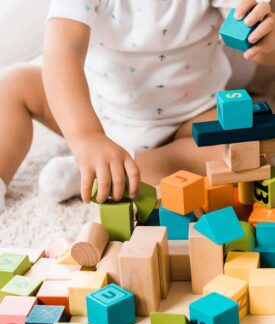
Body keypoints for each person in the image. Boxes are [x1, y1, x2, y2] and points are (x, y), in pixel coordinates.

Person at [0, 0, 274, 213]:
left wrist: (267, 42)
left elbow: (252, 24)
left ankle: (108, 172)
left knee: (246, 148)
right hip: (97, 113)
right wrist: (84, 136)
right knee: (12, 83)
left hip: (191, 118)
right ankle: (92, 160)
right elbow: (62, 50)